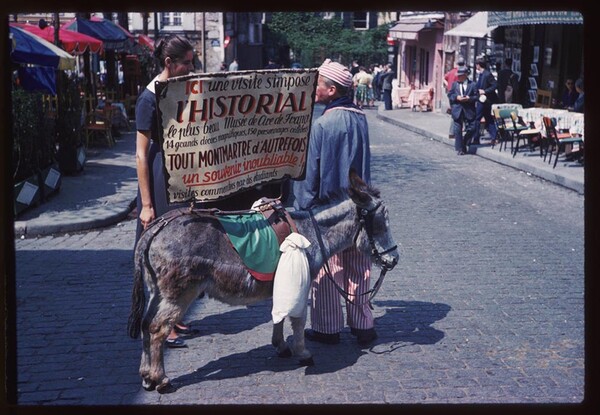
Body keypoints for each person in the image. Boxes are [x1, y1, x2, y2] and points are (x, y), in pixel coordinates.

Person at [292, 58, 376, 347]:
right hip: (358, 206)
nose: (314, 88)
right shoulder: (360, 118)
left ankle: (328, 328)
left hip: (329, 211)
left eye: (318, 84)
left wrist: (302, 208)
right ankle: (363, 325)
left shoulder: (323, 124)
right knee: (359, 264)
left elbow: (309, 173)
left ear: (331, 90)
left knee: (328, 269)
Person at [134, 34, 199, 349]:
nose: (190, 67)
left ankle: (176, 314)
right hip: (160, 178)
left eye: (191, 61)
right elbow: (140, 155)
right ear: (169, 63)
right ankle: (163, 322)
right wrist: (146, 204)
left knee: (182, 248)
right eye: (186, 62)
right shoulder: (148, 98)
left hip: (178, 176)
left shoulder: (175, 89)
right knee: (164, 254)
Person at [448, 66, 478, 155]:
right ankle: (460, 149)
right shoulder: (455, 84)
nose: (458, 77)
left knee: (473, 127)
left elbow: (477, 97)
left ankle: (464, 141)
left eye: (460, 75)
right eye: (458, 75)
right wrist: (456, 97)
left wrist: (469, 98)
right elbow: (450, 95)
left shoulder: (473, 85)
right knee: (458, 129)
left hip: (469, 110)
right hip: (457, 109)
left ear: (465, 75)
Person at [472, 57, 498, 145]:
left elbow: (495, 85)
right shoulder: (481, 74)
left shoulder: (487, 74)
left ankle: (476, 138)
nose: (476, 67)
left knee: (478, 119)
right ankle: (494, 137)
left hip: (485, 100)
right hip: (482, 99)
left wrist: (485, 91)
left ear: (479, 65)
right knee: (488, 118)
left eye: (476, 65)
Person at [443, 57, 466, 138]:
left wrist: (447, 86)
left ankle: (454, 131)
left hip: (450, 93)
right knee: (457, 113)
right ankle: (453, 132)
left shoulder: (451, 71)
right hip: (457, 94)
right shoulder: (460, 73)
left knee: (455, 112)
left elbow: (444, 78)